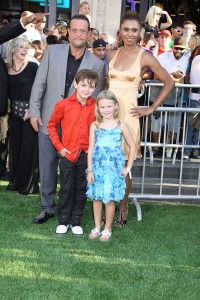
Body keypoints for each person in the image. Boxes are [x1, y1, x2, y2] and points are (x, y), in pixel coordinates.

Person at [29, 14, 105, 224]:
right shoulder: (52, 52)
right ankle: (47, 208)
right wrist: (34, 111)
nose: (79, 34)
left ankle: (71, 211)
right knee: (47, 167)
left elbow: (95, 99)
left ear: (88, 35)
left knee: (75, 171)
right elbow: (39, 83)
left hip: (77, 127)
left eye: (83, 30)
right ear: (68, 32)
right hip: (48, 119)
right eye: (75, 30)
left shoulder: (96, 63)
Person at [108, 10, 174, 226]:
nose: (129, 34)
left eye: (134, 30)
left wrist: (151, 108)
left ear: (140, 32)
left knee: (124, 167)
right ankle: (107, 206)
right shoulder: (112, 54)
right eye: (126, 29)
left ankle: (123, 209)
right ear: (120, 30)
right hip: (107, 116)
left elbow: (169, 82)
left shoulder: (145, 56)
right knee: (106, 162)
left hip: (128, 116)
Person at [47, 69, 98, 235]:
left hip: (86, 155)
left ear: (95, 88)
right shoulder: (63, 104)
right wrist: (60, 147)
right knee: (66, 187)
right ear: (75, 84)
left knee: (81, 187)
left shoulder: (96, 106)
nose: (86, 89)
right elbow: (52, 126)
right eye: (83, 85)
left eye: (91, 86)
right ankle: (64, 219)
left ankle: (76, 219)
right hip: (68, 154)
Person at [86, 90, 135, 241]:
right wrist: (90, 170)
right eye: (103, 107)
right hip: (98, 169)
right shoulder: (95, 126)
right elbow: (90, 149)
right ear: (98, 109)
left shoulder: (120, 125)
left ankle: (107, 229)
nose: (106, 110)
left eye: (109, 106)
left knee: (109, 199)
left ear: (115, 106)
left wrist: (128, 167)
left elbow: (132, 146)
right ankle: (97, 226)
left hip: (114, 170)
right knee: (97, 198)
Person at [6, 37, 39, 194]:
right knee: (16, 150)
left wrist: (32, 109)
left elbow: (40, 89)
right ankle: (16, 182)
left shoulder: (32, 67)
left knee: (28, 151)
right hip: (14, 116)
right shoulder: (6, 70)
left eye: (26, 47)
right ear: (13, 50)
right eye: (21, 47)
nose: (25, 50)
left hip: (30, 115)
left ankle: (28, 185)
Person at [151, 37, 189, 158]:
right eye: (176, 49)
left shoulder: (186, 59)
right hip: (158, 93)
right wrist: (171, 76)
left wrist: (166, 76)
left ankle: (168, 147)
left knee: (173, 122)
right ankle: (156, 147)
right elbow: (157, 75)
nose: (178, 52)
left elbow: (180, 77)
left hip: (174, 96)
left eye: (181, 49)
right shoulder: (163, 57)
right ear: (173, 47)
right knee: (156, 121)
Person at [184, 47, 200, 159]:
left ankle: (191, 150)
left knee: (193, 126)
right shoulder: (197, 59)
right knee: (193, 126)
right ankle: (191, 150)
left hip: (193, 96)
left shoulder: (196, 59)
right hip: (195, 96)